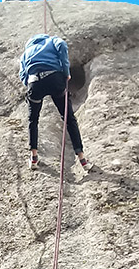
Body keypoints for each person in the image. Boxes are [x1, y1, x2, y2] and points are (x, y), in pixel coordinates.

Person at [19, 34, 92, 172]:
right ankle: (83, 160)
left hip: (34, 82)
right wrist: (66, 72)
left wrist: (30, 86)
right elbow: (62, 46)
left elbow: (23, 74)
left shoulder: (26, 53)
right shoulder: (52, 40)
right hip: (54, 79)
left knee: (33, 120)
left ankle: (33, 158)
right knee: (69, 118)